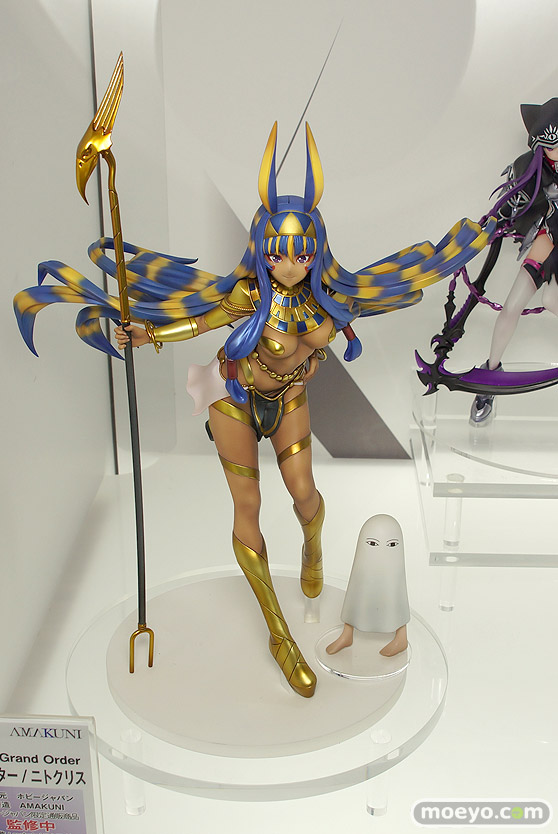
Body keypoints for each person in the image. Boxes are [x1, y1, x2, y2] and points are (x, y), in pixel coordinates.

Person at [14, 122, 493, 697]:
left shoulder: (329, 299)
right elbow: (200, 321)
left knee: (305, 495)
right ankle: (279, 635)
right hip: (235, 399)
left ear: (316, 250)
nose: (289, 264)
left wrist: (472, 240)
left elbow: (395, 285)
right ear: (262, 249)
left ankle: (312, 545)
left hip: (288, 399)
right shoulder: (248, 295)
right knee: (248, 506)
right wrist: (146, 333)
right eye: (278, 253)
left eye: (301, 253)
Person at [471, 98, 558, 423]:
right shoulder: (532, 171)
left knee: (551, 299)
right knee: (511, 308)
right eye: (551, 146)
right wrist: (492, 224)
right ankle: (491, 373)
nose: (557, 152)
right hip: (547, 241)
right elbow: (510, 205)